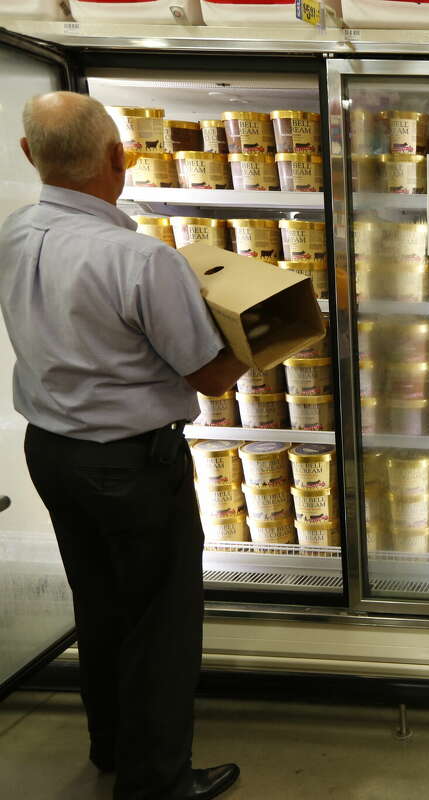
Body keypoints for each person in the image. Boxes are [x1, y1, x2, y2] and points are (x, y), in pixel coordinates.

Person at [0, 92, 245, 800]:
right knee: (161, 625)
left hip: (51, 452)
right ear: (120, 157)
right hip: (133, 464)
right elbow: (209, 374)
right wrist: (267, 335)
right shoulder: (139, 258)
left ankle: (110, 746)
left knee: (100, 606)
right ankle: (157, 781)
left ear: (28, 155)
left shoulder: (13, 235)